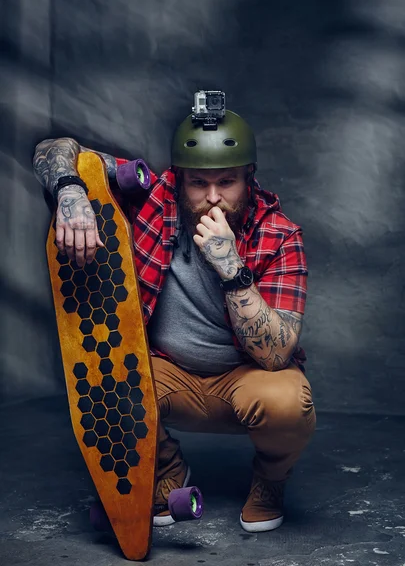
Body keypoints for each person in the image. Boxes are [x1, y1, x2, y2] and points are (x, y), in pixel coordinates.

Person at [33, 99, 316, 533]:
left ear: (250, 177)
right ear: (179, 178)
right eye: (198, 183)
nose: (212, 197)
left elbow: (277, 355)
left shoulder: (279, 236)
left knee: (289, 404)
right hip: (164, 372)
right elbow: (54, 149)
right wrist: (70, 190)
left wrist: (232, 269)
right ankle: (166, 469)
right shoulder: (152, 194)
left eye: (227, 182)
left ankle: (270, 481)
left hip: (243, 378)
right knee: (103, 377)